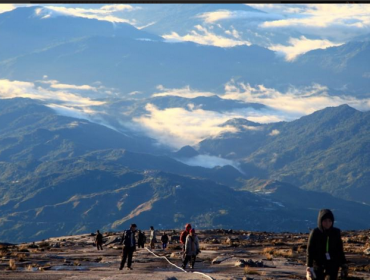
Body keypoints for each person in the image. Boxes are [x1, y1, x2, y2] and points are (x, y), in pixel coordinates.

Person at [306, 209, 348, 280]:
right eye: (325, 221)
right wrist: (309, 266)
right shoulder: (315, 233)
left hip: (333, 264)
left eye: (329, 221)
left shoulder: (336, 233)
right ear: (320, 221)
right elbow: (310, 251)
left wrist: (344, 264)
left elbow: (339, 250)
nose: (327, 223)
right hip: (318, 264)